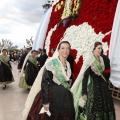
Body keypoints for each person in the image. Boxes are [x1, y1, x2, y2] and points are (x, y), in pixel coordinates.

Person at [22, 41, 75, 120]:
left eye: (68, 48)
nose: (65, 50)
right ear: (59, 50)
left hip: (65, 96)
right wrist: (45, 101)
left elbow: (66, 80)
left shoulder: (67, 64)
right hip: (52, 96)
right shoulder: (52, 63)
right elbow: (44, 82)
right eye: (63, 48)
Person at [71, 41, 115, 120]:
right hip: (94, 87)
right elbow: (85, 77)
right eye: (98, 48)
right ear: (93, 49)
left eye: (101, 48)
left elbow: (105, 73)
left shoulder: (102, 59)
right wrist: (84, 92)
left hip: (103, 87)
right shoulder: (90, 60)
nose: (100, 50)